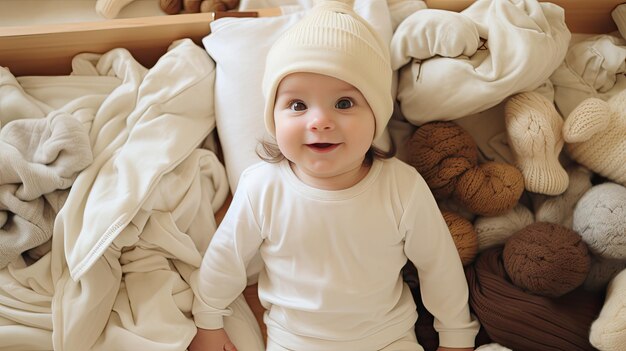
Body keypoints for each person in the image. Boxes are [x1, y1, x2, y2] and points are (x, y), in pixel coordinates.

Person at [189, 1, 480, 350]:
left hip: (386, 338)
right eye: (298, 105)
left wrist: (456, 334)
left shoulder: (402, 187)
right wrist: (208, 321)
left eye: (343, 103)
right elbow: (224, 260)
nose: (319, 121)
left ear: (376, 116)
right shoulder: (262, 187)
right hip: (294, 341)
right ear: (274, 118)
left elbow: (439, 267)